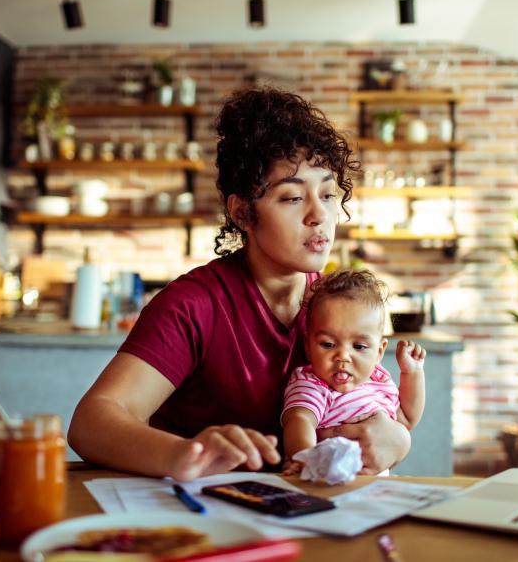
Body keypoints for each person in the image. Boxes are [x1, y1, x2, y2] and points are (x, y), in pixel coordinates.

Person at [68, 87, 412, 481]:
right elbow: (92, 423)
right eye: (292, 198)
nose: (320, 215)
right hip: (205, 512)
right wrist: (185, 454)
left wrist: (398, 440)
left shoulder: (337, 303)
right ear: (243, 212)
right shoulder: (194, 304)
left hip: (313, 511)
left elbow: (372, 408)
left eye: (329, 194)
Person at [281, 270, 426, 475]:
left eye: (358, 347)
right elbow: (299, 420)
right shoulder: (312, 383)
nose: (343, 356)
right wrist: (305, 457)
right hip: (324, 481)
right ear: (308, 346)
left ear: (379, 352)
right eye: (328, 344)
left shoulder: (378, 380)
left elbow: (407, 419)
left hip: (374, 490)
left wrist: (412, 373)